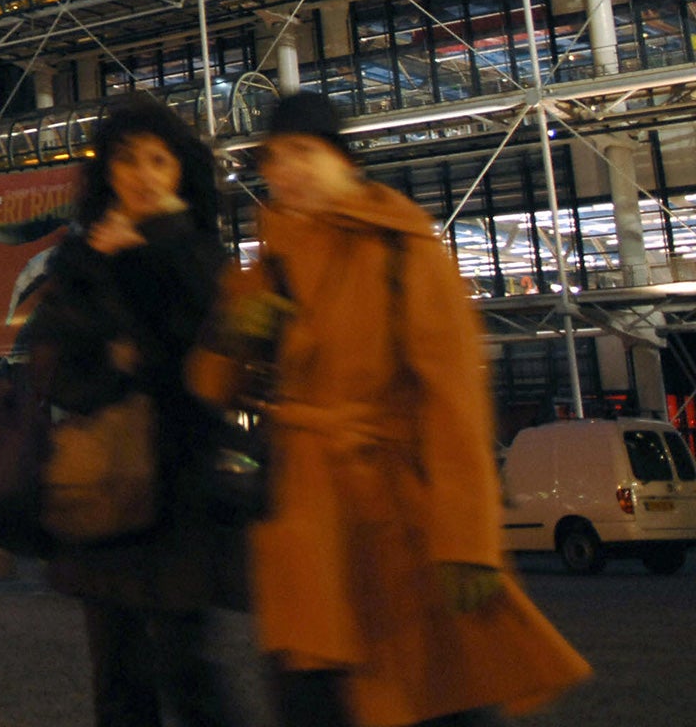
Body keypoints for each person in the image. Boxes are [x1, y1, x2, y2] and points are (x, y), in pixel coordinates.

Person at [192, 93, 590, 727]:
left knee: (427, 693)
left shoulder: (406, 250)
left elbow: (453, 399)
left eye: (303, 152)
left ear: (343, 161)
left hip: (394, 516)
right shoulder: (264, 269)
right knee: (314, 696)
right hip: (302, 525)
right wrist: (235, 335)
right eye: (273, 158)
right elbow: (210, 386)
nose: (286, 170)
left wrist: (469, 539)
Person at [21, 93, 239, 727]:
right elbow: (55, 367)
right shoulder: (80, 258)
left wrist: (154, 251)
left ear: (179, 172)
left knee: (187, 670)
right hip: (105, 487)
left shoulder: (197, 252)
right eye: (127, 160)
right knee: (118, 680)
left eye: (158, 160)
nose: (142, 175)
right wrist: (118, 335)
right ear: (106, 173)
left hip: (178, 487)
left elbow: (207, 356)